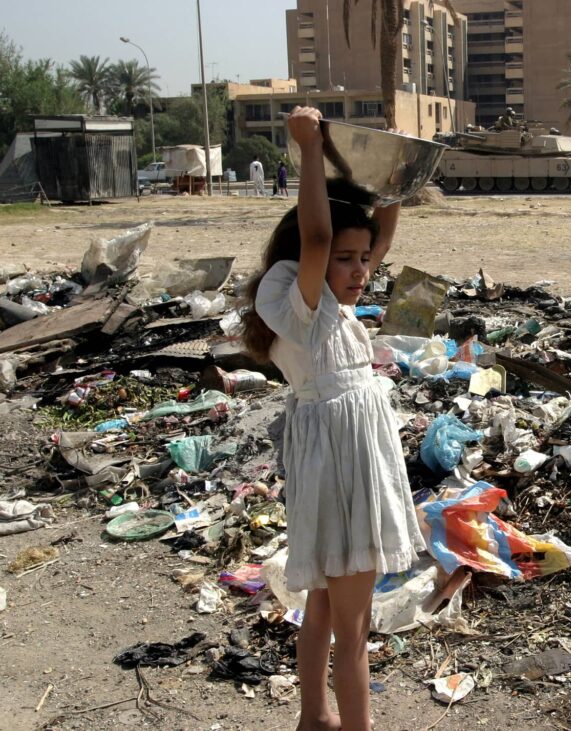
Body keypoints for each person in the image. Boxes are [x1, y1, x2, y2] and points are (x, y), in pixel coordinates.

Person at [241, 106, 426, 731]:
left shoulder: (331, 305)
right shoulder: (298, 300)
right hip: (344, 472)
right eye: (347, 260)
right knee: (352, 625)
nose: (360, 270)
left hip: (339, 465)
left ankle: (314, 717)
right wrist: (310, 150)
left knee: (321, 611)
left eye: (364, 260)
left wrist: (389, 173)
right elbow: (319, 237)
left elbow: (378, 229)